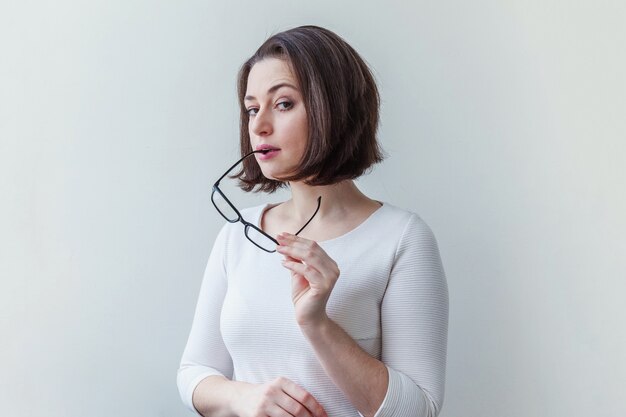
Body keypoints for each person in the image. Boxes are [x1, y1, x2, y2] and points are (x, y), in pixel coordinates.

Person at [177, 25, 449, 417]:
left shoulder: (401, 238)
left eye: (283, 103)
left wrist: (318, 323)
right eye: (252, 108)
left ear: (332, 110)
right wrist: (245, 397)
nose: (258, 125)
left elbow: (418, 410)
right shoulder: (237, 234)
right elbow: (194, 372)